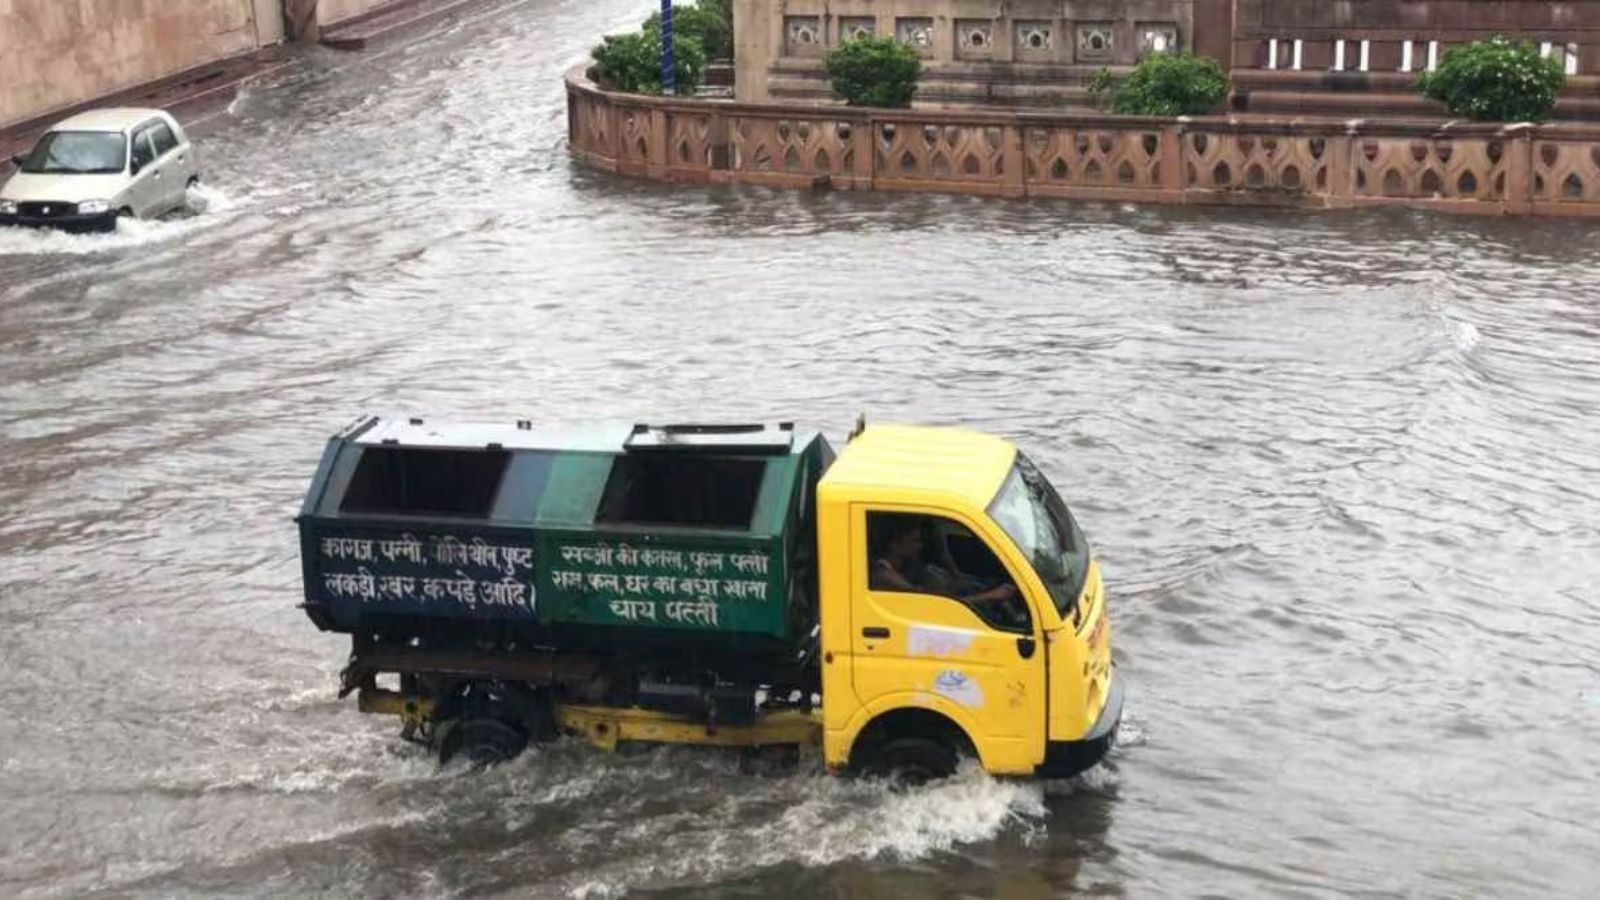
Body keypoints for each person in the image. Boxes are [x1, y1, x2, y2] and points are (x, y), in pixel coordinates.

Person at [869, 515, 1020, 613]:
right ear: (894, 545)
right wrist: (990, 596)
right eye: (914, 541)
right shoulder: (885, 576)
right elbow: (939, 607)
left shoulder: (908, 565)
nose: (920, 546)